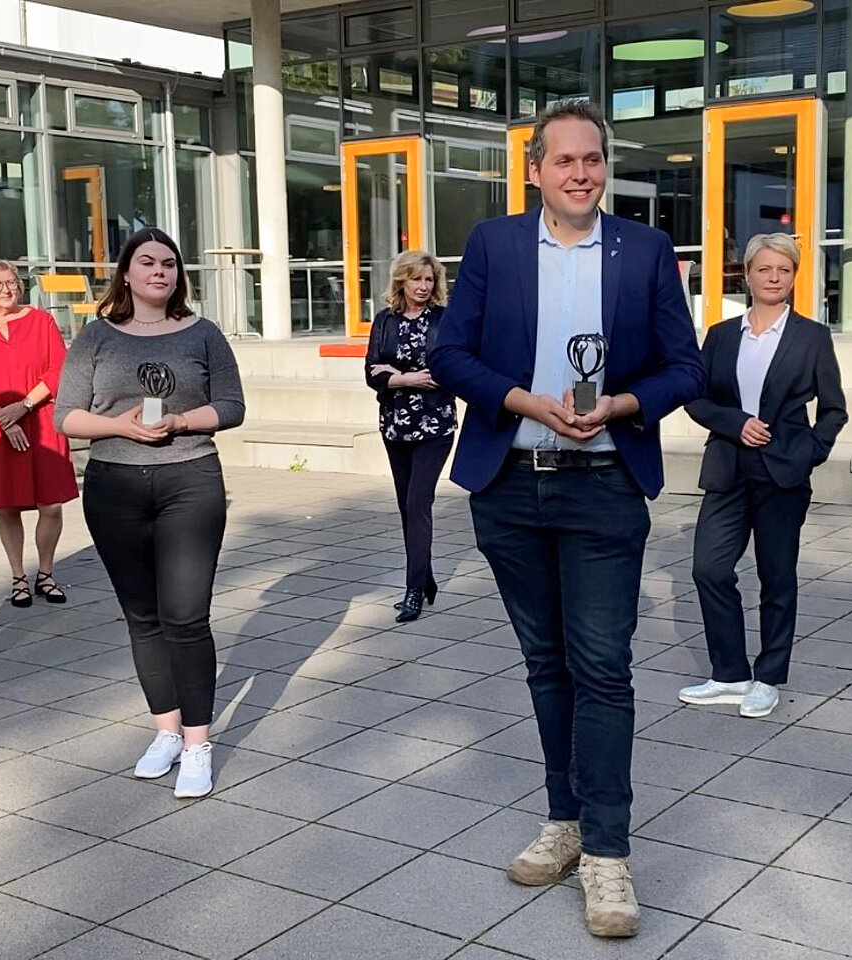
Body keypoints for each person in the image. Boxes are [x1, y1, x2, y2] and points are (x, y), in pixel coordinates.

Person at [429, 100, 704, 939]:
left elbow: (685, 367)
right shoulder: (494, 244)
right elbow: (449, 354)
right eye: (565, 161)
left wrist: (621, 403)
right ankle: (567, 821)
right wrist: (522, 402)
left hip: (602, 484)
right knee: (545, 664)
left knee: (602, 668)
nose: (581, 173)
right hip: (510, 482)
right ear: (537, 171)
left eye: (593, 159)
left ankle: (611, 859)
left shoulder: (646, 250)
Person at [56, 227, 244, 800]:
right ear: (127, 274)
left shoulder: (204, 333)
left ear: (178, 275)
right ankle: (165, 730)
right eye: (147, 262)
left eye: (169, 263)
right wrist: (120, 426)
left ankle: (196, 744)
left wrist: (181, 422)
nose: (159, 271)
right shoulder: (95, 337)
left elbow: (233, 406)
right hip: (114, 484)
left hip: (190, 480)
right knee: (143, 617)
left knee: (185, 616)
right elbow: (67, 416)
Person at [681, 234, 847, 718]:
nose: (774, 278)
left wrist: (808, 453)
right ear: (747, 274)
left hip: (784, 472)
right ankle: (729, 673)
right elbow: (697, 398)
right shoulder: (721, 334)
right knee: (708, 569)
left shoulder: (812, 337)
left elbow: (834, 410)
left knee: (777, 577)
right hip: (728, 466)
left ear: (794, 277)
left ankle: (769, 675)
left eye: (784, 270)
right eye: (764, 269)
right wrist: (735, 423)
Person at [0, 260, 78, 607]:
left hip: (39, 419)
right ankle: (18, 577)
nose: (6, 289)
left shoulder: (41, 320)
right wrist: (2, 419)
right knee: (8, 505)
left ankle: (47, 574)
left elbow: (58, 370)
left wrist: (22, 407)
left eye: (11, 283)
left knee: (50, 504)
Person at [365, 249, 456, 623]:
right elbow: (372, 373)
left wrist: (397, 374)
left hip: (434, 425)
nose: (423, 286)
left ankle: (414, 589)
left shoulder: (445, 321)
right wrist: (407, 377)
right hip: (395, 425)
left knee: (419, 502)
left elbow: (448, 370)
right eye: (416, 278)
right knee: (406, 505)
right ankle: (426, 575)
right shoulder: (384, 321)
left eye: (429, 279)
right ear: (401, 280)